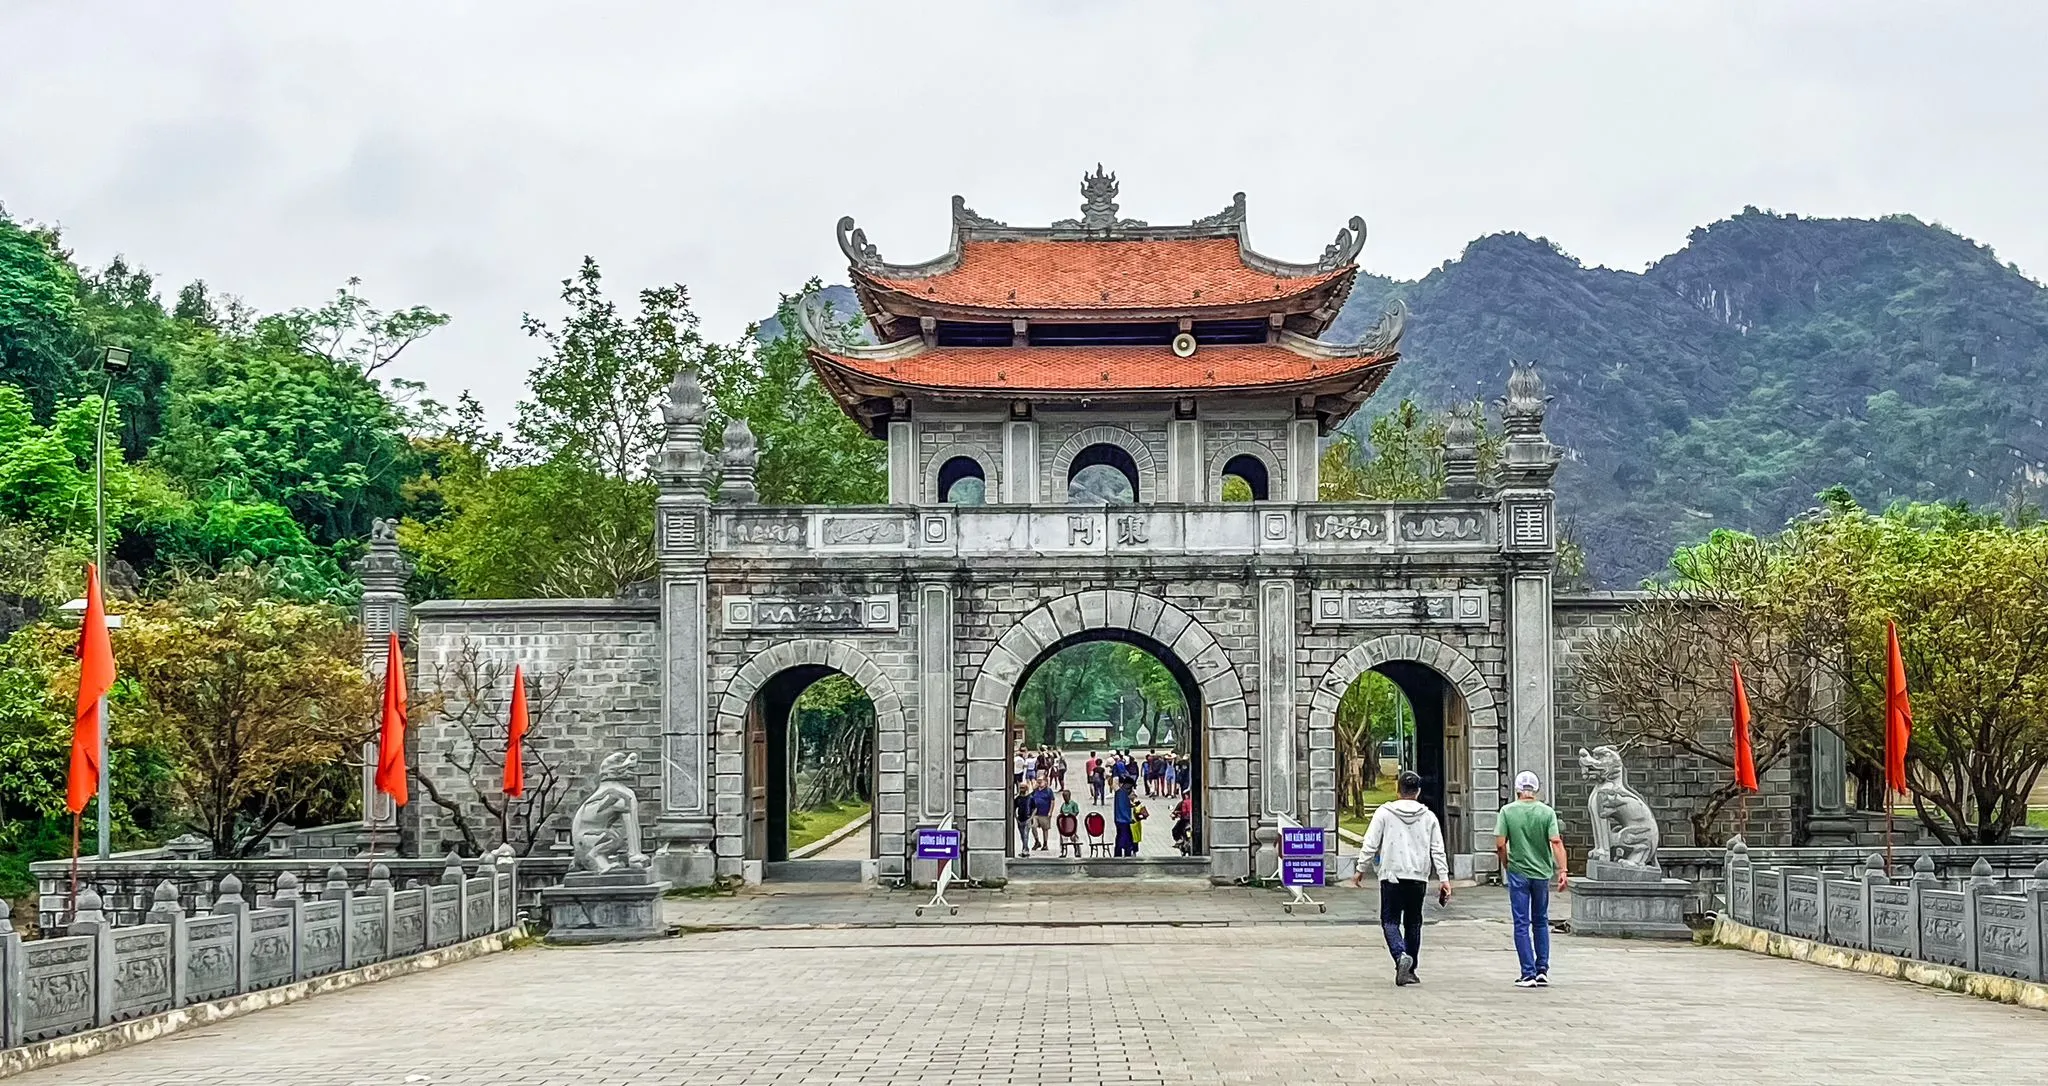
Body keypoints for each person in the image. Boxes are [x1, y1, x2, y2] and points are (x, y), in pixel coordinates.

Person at [1358, 771, 1452, 987]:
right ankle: (1410, 970)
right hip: (1418, 876)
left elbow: (1370, 842)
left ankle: (1401, 956)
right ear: (1418, 791)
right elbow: (1438, 850)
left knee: (1390, 921)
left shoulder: (1384, 813)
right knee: (1414, 922)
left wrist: (1360, 868)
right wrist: (1444, 878)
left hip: (1391, 874)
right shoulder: (1428, 817)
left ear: (1397, 790)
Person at [1496, 770, 1569, 988]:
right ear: (1536, 789)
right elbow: (1556, 842)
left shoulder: (1507, 811)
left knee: (1521, 923)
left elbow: (1500, 844)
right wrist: (1563, 870)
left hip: (1519, 871)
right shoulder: (1547, 812)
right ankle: (1542, 970)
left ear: (1517, 789)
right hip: (1542, 873)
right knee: (1541, 920)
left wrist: (1506, 863)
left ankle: (1527, 973)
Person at [1112, 776, 1137, 856]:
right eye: (1130, 787)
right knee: (1126, 840)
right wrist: (1129, 819)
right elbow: (1122, 808)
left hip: (1119, 820)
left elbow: (1126, 806)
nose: (1131, 790)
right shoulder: (1121, 793)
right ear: (1127, 785)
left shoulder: (1121, 793)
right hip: (1123, 821)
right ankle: (1125, 855)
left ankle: (1118, 854)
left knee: (1120, 838)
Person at [1030, 778, 1057, 851]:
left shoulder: (1049, 791)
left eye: (1041, 781)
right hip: (1035, 813)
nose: (1039, 782)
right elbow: (1030, 798)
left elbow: (1052, 801)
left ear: (1045, 782)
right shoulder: (1035, 790)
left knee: (1045, 829)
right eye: (1038, 781)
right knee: (1033, 827)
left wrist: (1050, 812)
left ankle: (1045, 844)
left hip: (1044, 813)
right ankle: (1037, 841)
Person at [1057, 789, 1082, 857]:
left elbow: (1076, 812)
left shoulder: (1073, 804)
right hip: (1064, 824)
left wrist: (1071, 815)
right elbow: (1061, 812)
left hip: (1072, 823)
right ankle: (1063, 851)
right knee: (1063, 837)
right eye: (1064, 796)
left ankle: (1077, 850)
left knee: (1073, 837)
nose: (1065, 798)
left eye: (1066, 796)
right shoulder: (1063, 805)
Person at [1014, 781, 1034, 856]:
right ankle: (1025, 848)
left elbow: (1034, 808)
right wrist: (1016, 818)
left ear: (1026, 788)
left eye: (1023, 787)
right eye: (1020, 788)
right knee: (1022, 836)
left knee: (1026, 835)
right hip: (1020, 819)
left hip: (1027, 819)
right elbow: (1013, 808)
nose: (1021, 789)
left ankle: (1025, 850)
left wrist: (1031, 818)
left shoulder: (1030, 798)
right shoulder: (1018, 799)